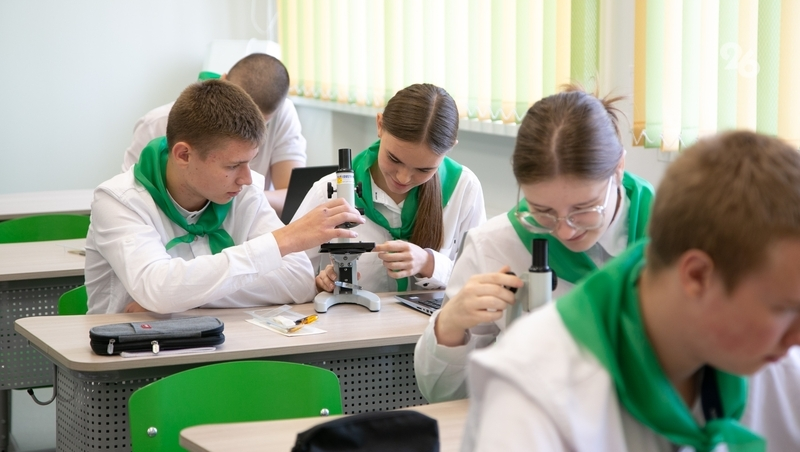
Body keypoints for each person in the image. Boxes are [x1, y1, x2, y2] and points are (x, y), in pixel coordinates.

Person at [463, 130, 800, 451]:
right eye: (785, 309)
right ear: (697, 276)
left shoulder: (779, 366)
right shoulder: (535, 389)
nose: (796, 337)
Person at [415, 87, 655, 403]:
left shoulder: (674, 234)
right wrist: (450, 325)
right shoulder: (495, 246)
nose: (565, 230)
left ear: (619, 168)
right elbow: (442, 395)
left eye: (583, 209)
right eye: (543, 211)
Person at [86, 79, 363, 314]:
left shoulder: (243, 191)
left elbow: (298, 280)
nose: (247, 178)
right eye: (232, 166)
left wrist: (184, 298)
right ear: (184, 155)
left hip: (218, 345)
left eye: (250, 162)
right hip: (128, 356)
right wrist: (281, 241)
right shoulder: (118, 201)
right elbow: (159, 288)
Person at [291, 83, 486, 294]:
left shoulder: (464, 189)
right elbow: (287, 273)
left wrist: (429, 263)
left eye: (423, 169)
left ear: (450, 147)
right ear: (380, 125)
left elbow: (481, 277)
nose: (403, 178)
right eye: (394, 159)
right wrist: (318, 284)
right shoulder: (327, 192)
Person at [121, 53, 306, 216]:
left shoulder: (283, 113)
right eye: (232, 165)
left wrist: (244, 199)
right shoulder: (156, 124)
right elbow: (131, 198)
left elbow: (293, 196)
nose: (247, 180)